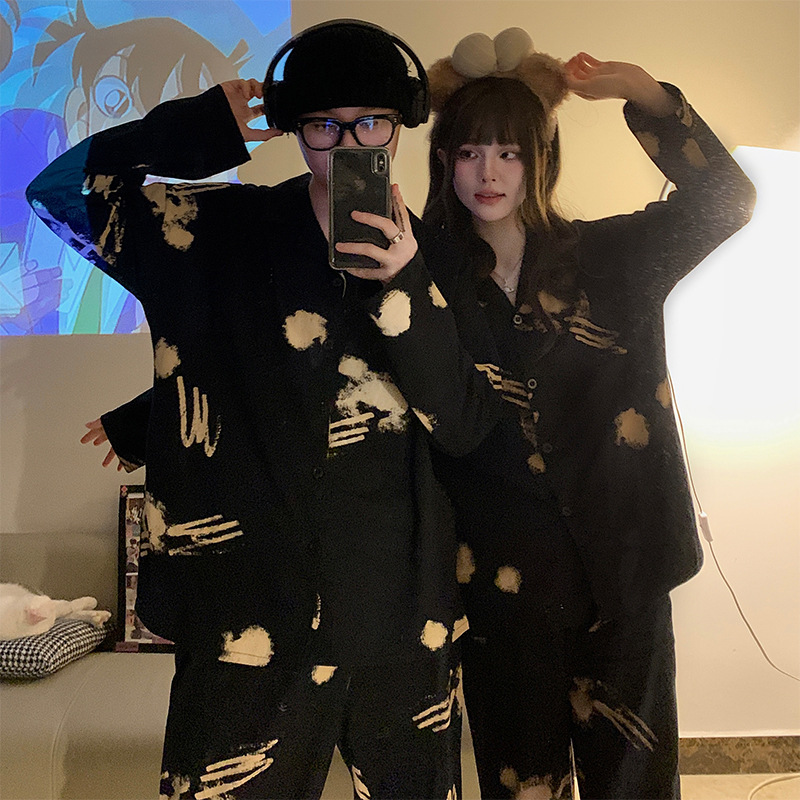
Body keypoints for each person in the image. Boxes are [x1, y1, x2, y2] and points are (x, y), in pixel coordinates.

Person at [27, 19, 503, 800]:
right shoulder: (209, 230)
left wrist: (407, 288)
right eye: (323, 125)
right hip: (243, 616)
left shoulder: (444, 258)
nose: (347, 144)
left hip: (401, 618)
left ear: (400, 125)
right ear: (293, 128)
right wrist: (192, 129)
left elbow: (469, 424)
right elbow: (55, 192)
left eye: (371, 122)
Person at [422, 30, 755, 800]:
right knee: (523, 787)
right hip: (503, 590)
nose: (489, 172)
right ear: (444, 160)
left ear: (540, 157)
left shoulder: (613, 258)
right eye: (470, 152)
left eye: (509, 152)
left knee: (635, 788)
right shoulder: (423, 281)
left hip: (626, 578)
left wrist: (645, 94)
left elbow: (725, 200)